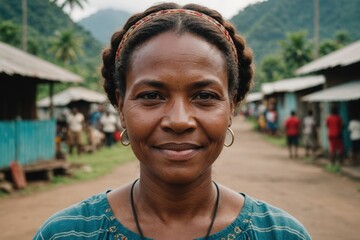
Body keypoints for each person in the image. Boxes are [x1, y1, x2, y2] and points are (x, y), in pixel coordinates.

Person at [33, 3, 311, 240]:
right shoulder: (65, 233)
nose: (179, 121)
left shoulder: (281, 233)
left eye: (204, 95)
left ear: (232, 107)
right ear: (121, 106)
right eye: (152, 95)